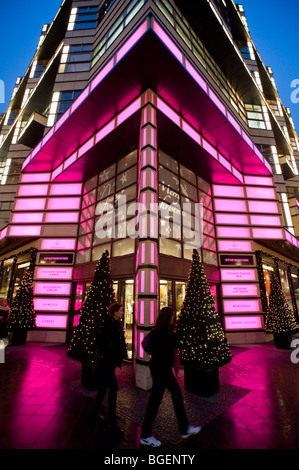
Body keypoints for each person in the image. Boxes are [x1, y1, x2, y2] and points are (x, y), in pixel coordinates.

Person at [140, 306, 201, 447]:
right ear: (169, 317)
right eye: (173, 315)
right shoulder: (166, 333)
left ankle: (184, 428)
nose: (175, 317)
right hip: (161, 370)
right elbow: (177, 343)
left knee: (175, 395)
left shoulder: (158, 330)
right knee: (156, 401)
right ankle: (145, 435)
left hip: (160, 369)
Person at [92, 302, 127, 435]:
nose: (123, 312)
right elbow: (102, 342)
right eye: (121, 310)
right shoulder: (108, 324)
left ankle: (94, 412)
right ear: (114, 312)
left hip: (110, 362)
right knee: (113, 388)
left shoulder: (116, 324)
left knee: (103, 387)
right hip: (106, 362)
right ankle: (111, 423)